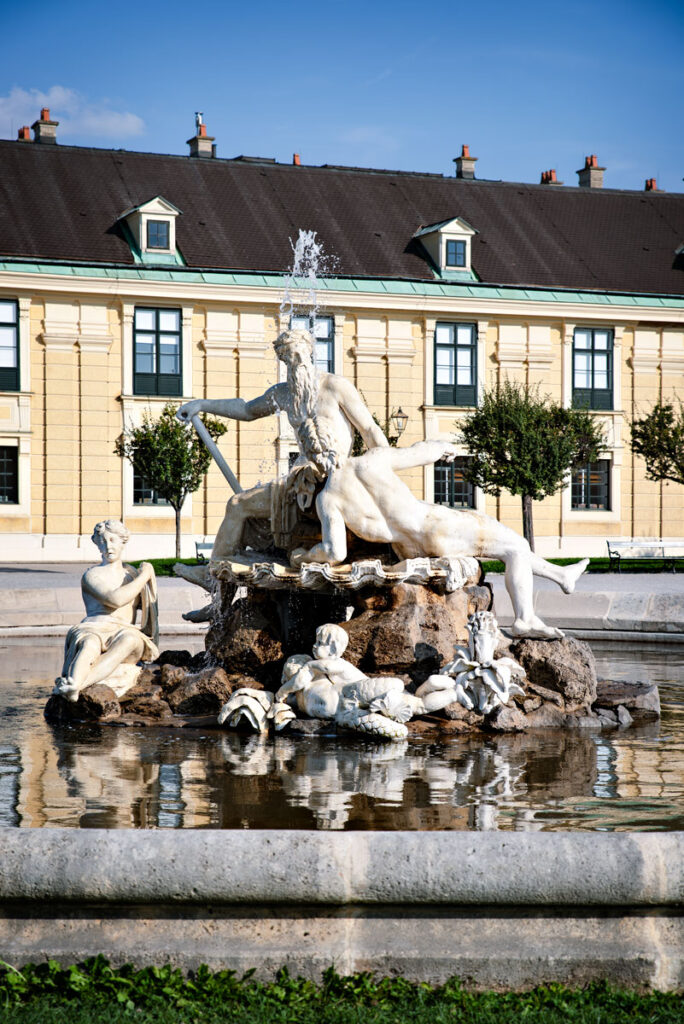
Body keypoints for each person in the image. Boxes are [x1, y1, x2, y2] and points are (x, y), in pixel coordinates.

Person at [288, 441, 589, 640]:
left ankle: (561, 575)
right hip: (435, 525)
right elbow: (422, 451)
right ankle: (525, 619)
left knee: (513, 548)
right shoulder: (371, 460)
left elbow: (333, 551)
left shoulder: (327, 499)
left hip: (409, 547)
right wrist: (445, 448)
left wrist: (302, 556)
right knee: (516, 547)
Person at [177, 328, 388, 559]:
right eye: (288, 359)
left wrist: (383, 471)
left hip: (338, 473)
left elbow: (369, 430)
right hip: (301, 477)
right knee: (237, 504)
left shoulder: (335, 386)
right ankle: (217, 574)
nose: (295, 363)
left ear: (309, 351)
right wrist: (202, 405)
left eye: (298, 355)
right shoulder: (283, 393)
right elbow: (247, 410)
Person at [53, 520, 159, 702]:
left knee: (130, 640)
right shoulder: (92, 575)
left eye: (113, 540)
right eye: (103, 541)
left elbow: (149, 607)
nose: (108, 546)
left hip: (124, 631)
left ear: (123, 542)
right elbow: (115, 599)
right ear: (97, 544)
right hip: (93, 628)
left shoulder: (131, 574)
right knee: (90, 645)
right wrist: (145, 576)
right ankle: (74, 684)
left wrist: (145, 581)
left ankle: (77, 686)